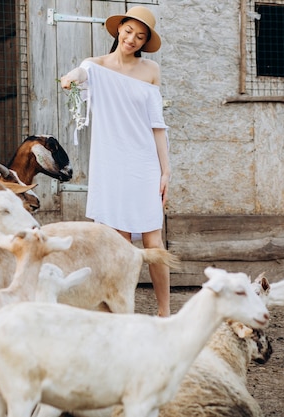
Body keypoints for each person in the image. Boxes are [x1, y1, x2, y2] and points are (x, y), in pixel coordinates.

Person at [60, 6, 172, 316]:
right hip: (112, 164)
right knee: (118, 242)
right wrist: (71, 76)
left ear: (145, 41)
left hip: (145, 162)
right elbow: (81, 74)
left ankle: (165, 312)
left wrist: (166, 170)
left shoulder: (151, 70)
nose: (132, 39)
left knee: (153, 240)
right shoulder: (95, 66)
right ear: (118, 29)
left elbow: (157, 125)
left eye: (140, 36)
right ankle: (119, 310)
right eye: (128, 31)